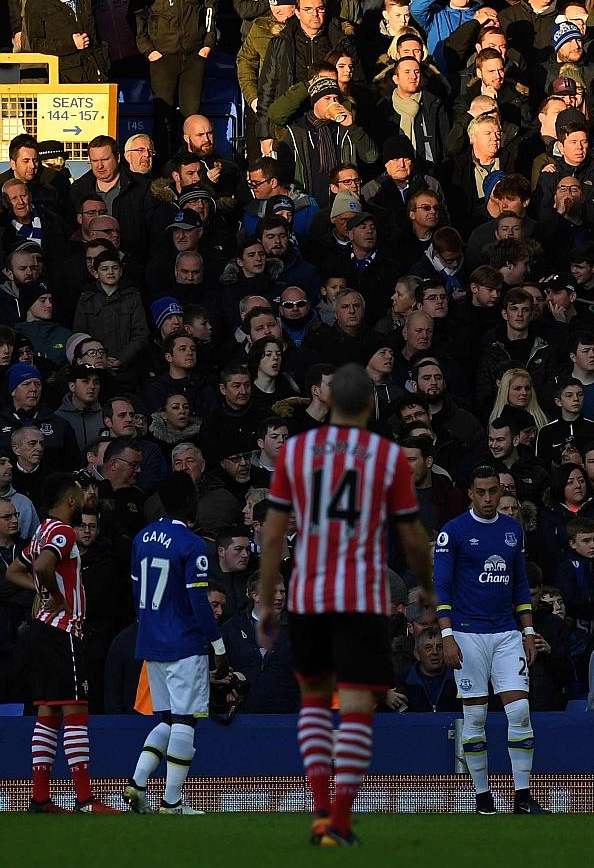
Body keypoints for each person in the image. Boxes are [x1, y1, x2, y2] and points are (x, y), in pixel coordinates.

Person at [256, 362, 435, 847]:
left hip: (309, 595)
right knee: (357, 706)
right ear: (372, 406)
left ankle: (318, 809)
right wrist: (429, 588)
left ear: (330, 403)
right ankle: (339, 820)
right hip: (362, 597)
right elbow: (412, 536)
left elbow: (273, 533)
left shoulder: (294, 451)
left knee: (314, 700)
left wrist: (269, 599)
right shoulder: (387, 456)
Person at [433, 465, 545, 815]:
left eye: (492, 491)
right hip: (466, 634)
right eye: (480, 492)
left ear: (500, 491)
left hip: (506, 633)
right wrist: (447, 635)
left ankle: (522, 796)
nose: (487, 498)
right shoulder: (453, 532)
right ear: (470, 493)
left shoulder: (513, 530)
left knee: (520, 711)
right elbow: (441, 586)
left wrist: (527, 631)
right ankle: (483, 796)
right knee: (476, 717)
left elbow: (521, 584)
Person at [6, 473, 120, 812]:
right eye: (81, 492)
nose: (86, 496)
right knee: (75, 711)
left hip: (40, 630)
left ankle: (40, 798)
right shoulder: (63, 531)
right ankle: (85, 799)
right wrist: (55, 595)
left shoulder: (41, 530)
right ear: (70, 500)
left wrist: (41, 594)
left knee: (47, 712)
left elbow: (14, 570)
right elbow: (42, 566)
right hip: (61, 630)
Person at [123, 471, 229, 815]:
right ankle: (172, 802)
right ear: (189, 502)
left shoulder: (142, 537)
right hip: (184, 642)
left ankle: (138, 784)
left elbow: (138, 592)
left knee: (167, 719)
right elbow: (199, 600)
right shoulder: (191, 544)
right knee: (186, 720)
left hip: (152, 642)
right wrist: (217, 644)